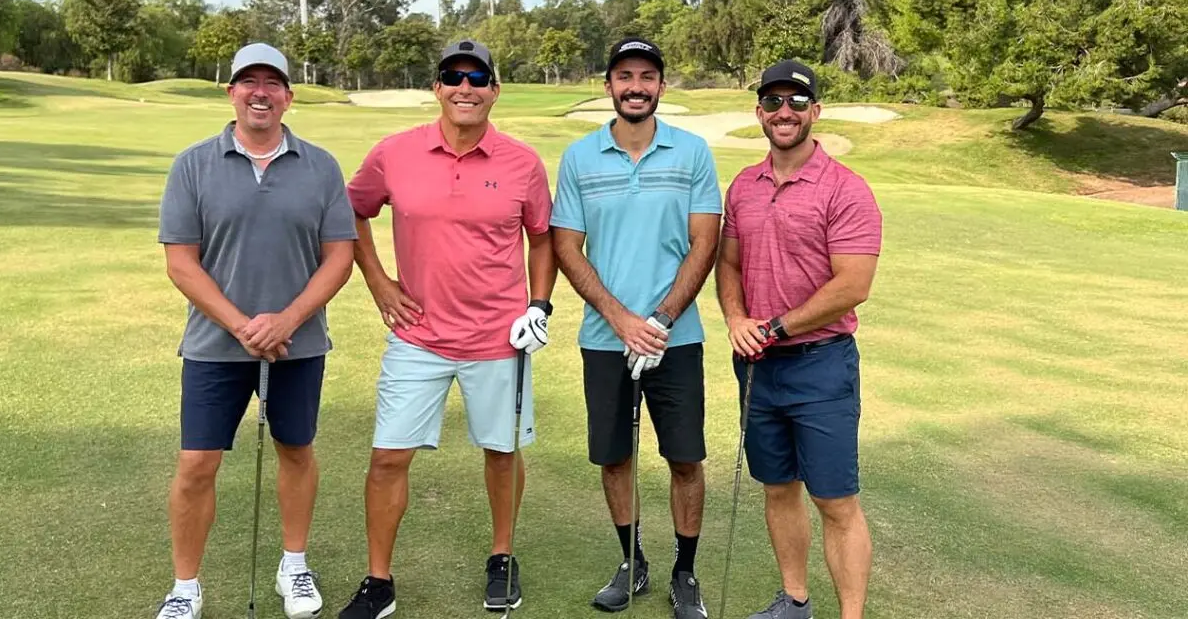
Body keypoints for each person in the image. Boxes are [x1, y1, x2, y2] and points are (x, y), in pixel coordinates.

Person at [337, 38, 557, 619]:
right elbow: (352, 209)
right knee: (388, 458)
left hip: (498, 339)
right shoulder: (394, 153)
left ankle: (502, 556)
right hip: (418, 338)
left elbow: (542, 238)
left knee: (502, 452)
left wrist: (540, 304)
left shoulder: (522, 162)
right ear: (436, 87)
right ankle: (378, 581)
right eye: (453, 76)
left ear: (494, 89)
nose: (466, 87)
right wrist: (380, 282)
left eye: (478, 77)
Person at [154, 43, 359, 619]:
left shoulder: (320, 166)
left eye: (273, 83)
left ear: (289, 96)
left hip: (300, 344)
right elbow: (181, 263)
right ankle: (185, 588)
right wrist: (245, 325)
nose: (260, 92)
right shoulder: (193, 164)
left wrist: (287, 319)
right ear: (231, 92)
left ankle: (294, 566)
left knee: (295, 449)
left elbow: (339, 256)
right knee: (197, 462)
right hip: (215, 346)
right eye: (249, 82)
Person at [550, 37, 721, 619]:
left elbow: (706, 241)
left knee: (684, 459)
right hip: (605, 338)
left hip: (678, 337)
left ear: (661, 87)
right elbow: (567, 247)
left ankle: (684, 572)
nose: (636, 86)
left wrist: (661, 318)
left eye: (647, 76)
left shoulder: (693, 152)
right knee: (615, 457)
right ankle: (633, 561)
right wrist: (623, 320)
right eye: (625, 75)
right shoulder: (579, 158)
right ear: (609, 86)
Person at [714, 58, 883, 619]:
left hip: (821, 364)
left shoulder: (846, 189)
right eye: (772, 102)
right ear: (758, 111)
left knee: (835, 500)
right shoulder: (743, 185)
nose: (783, 112)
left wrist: (777, 326)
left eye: (796, 102)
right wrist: (737, 320)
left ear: (816, 111)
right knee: (777, 485)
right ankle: (795, 600)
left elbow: (853, 285)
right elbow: (729, 264)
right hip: (758, 365)